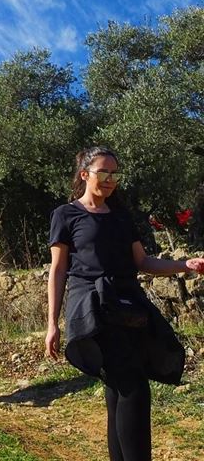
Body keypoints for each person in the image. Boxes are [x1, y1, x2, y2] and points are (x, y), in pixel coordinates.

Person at [45, 146, 204, 461]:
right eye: (103, 173)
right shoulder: (66, 214)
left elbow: (143, 262)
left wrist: (187, 264)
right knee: (134, 387)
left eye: (114, 174)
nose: (110, 180)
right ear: (84, 174)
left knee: (119, 389)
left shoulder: (121, 217)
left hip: (128, 306)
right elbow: (59, 270)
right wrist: (52, 323)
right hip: (92, 307)